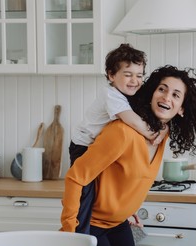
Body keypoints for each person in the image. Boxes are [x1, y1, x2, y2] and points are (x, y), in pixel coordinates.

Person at [61, 65, 196, 246]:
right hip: (91, 224)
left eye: (175, 95)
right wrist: (70, 231)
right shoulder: (122, 132)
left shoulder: (162, 135)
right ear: (151, 93)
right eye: (162, 89)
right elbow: (76, 176)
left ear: (181, 109)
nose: (166, 97)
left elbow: (131, 179)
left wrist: (129, 210)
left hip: (119, 223)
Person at [69, 44, 168, 234]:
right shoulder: (111, 95)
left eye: (139, 75)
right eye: (128, 74)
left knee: (108, 190)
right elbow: (133, 120)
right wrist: (154, 133)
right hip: (83, 145)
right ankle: (79, 234)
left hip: (102, 147)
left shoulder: (128, 94)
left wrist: (163, 127)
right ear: (111, 75)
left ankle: (116, 218)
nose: (135, 81)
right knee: (86, 192)